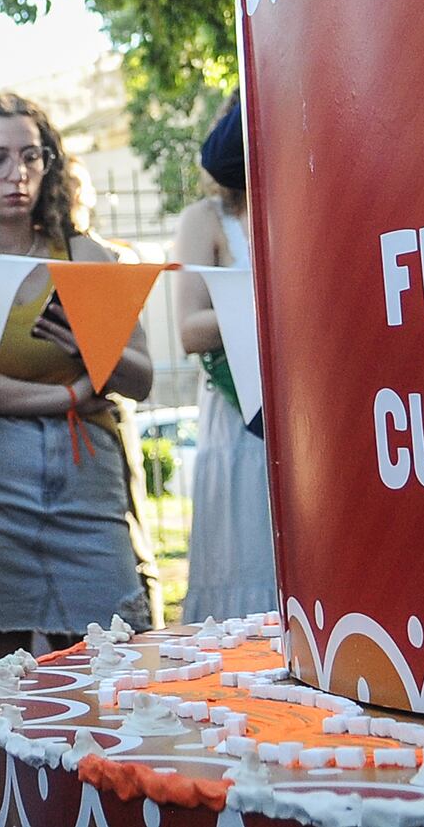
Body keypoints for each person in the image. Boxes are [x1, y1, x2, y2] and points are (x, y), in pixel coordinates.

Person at [0, 93, 157, 827]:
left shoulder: (88, 255)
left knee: (111, 681)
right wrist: (70, 393)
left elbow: (140, 375)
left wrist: (85, 342)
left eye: (34, 154)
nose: (20, 172)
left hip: (88, 487)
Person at [169, 95, 274, 622]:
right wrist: (278, 300)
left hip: (306, 406)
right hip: (239, 416)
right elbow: (189, 328)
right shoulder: (205, 219)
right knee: (249, 550)